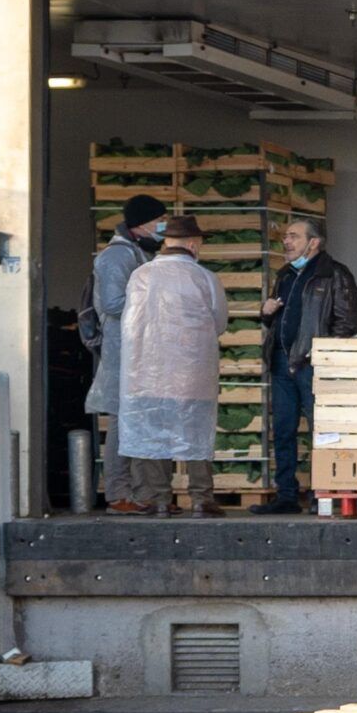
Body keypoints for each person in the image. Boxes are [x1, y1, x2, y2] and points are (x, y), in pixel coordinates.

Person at [117, 213, 231, 517]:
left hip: (144, 373)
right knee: (194, 433)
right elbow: (219, 322)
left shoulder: (140, 275)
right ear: (193, 244)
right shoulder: (205, 278)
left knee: (151, 432)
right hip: (191, 374)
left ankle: (158, 500)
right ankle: (200, 499)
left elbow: (128, 323)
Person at [255, 215, 357, 514]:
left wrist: (322, 353)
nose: (286, 242)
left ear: (313, 242)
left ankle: (323, 495)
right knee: (284, 429)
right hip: (281, 363)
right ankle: (286, 496)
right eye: (286, 236)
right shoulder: (285, 275)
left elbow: (350, 321)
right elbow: (279, 317)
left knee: (322, 431)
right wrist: (266, 313)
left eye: (293, 236)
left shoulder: (334, 275)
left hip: (313, 365)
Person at [83, 193, 169, 514]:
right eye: (158, 219)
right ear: (141, 223)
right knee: (123, 422)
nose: (163, 225)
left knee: (139, 422)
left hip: (142, 352)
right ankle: (118, 493)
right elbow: (113, 303)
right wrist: (157, 303)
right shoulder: (117, 256)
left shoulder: (140, 252)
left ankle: (143, 494)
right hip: (125, 353)